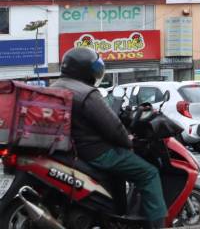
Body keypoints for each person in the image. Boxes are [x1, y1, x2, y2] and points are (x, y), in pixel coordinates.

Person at [53, 47, 167, 229]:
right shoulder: (87, 93)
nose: (97, 73)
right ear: (84, 70)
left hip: (73, 150)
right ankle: (157, 225)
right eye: (94, 69)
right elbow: (113, 128)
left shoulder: (55, 87)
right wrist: (128, 141)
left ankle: (115, 214)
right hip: (96, 152)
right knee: (149, 173)